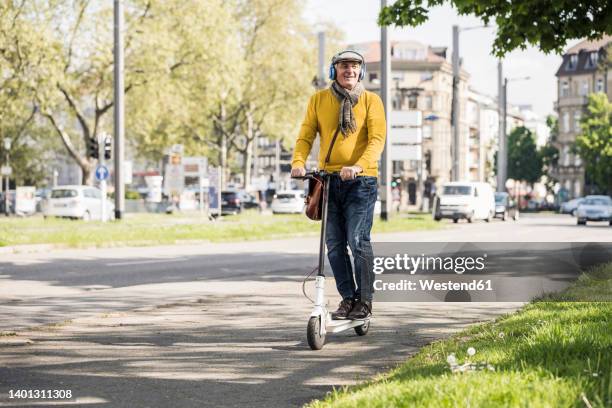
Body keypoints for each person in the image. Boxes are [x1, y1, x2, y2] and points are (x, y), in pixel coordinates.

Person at [291, 50, 386, 320]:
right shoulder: (319, 100)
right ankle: (348, 298)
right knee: (333, 244)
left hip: (361, 181)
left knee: (357, 240)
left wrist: (357, 166)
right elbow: (306, 135)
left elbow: (377, 140)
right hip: (329, 181)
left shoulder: (371, 101)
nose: (350, 71)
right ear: (334, 70)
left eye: (355, 67)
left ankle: (365, 301)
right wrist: (298, 161)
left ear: (361, 71)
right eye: (344, 66)